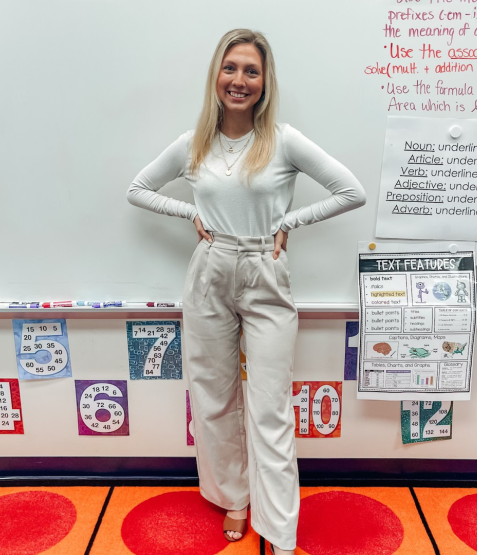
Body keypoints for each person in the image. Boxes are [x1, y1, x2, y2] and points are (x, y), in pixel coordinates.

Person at [126, 28, 366, 555]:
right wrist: (189, 211)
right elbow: (137, 189)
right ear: (217, 74)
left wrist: (289, 222)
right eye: (230, 68)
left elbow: (352, 191)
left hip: (264, 269)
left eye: (251, 71)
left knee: (270, 405)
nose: (239, 80)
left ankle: (279, 529)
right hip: (210, 269)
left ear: (264, 81)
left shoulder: (284, 140)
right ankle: (234, 497)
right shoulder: (193, 143)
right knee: (214, 397)